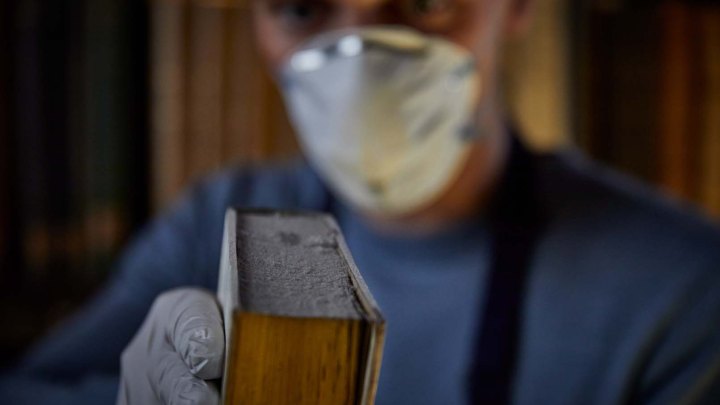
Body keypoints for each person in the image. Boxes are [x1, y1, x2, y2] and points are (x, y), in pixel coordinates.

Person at [2, 0, 720, 403]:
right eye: (302, 7)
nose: (359, 55)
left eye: (426, 2)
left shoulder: (686, 290)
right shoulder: (217, 223)